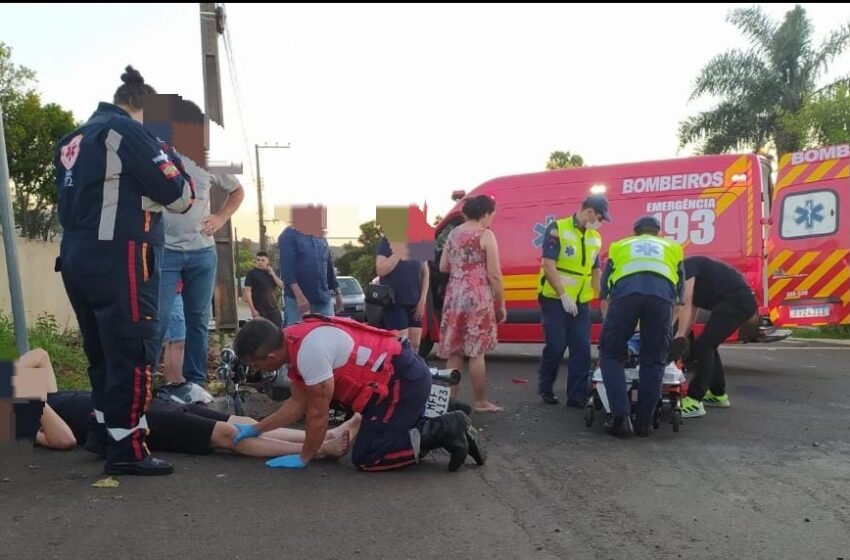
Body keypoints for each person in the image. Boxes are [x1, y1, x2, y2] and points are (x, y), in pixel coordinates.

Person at [54, 66, 196, 476]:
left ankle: (103, 432)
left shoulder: (73, 139)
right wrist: (165, 150)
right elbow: (180, 196)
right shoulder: (127, 132)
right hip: (122, 257)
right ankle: (128, 447)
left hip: (76, 256)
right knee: (133, 350)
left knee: (100, 350)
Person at [229, 315, 486, 472]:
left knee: (369, 457)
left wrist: (304, 457)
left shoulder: (310, 354)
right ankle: (439, 415)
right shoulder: (293, 338)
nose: (258, 371)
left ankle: (444, 429)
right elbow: (297, 404)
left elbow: (317, 415)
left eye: (256, 365)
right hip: (397, 377)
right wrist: (257, 429)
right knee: (375, 439)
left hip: (401, 382)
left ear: (270, 356)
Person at [17, 348, 358, 459]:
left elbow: (39, 356)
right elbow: (64, 440)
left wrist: (14, 376)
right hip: (134, 424)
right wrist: (28, 401)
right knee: (226, 435)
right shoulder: (23, 418)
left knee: (236, 422)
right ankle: (321, 450)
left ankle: (325, 436)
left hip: (144, 403)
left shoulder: (36, 394)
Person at [150, 96, 246, 388]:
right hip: (165, 252)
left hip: (202, 253)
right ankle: (143, 381)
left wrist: (219, 218)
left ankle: (195, 384)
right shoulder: (154, 157)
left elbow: (238, 191)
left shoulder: (209, 159)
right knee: (159, 319)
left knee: (198, 321)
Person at [598, 215, 685, 437]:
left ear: (635, 231)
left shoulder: (620, 246)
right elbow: (680, 296)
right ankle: (644, 423)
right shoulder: (673, 248)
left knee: (610, 354)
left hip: (625, 296)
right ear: (658, 232)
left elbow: (605, 290)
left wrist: (611, 328)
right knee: (654, 360)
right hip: (662, 300)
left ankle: (620, 418)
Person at [536, 194, 610, 407]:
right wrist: (563, 295)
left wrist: (602, 299)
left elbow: (596, 271)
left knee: (581, 349)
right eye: (600, 217)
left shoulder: (595, 237)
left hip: (581, 301)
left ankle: (576, 396)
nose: (600, 222)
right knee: (557, 345)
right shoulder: (557, 228)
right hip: (554, 299)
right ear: (589, 212)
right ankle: (546, 386)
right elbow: (548, 265)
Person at [437, 195, 505, 413]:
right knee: (476, 352)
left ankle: (449, 402)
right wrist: (501, 302)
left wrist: (461, 268)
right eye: (492, 214)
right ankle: (481, 401)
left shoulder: (453, 234)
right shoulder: (486, 235)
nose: (492, 218)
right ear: (485, 213)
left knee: (455, 351)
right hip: (477, 296)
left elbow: (443, 267)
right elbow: (494, 274)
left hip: (455, 295)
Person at [671, 255, 760, 418]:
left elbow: (686, 302)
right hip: (736, 301)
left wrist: (679, 336)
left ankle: (694, 400)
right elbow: (692, 310)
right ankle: (718, 394)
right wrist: (682, 336)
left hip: (736, 301)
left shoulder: (685, 267)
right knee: (707, 344)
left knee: (704, 346)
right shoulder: (692, 271)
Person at [278, 205, 343, 326]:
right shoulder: (288, 236)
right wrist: (299, 297)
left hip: (323, 299)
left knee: (328, 335)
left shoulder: (320, 236)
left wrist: (338, 293)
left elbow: (328, 266)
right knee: (297, 338)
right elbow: (287, 270)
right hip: (298, 301)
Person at [374, 234, 430, 353]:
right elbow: (381, 270)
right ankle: (397, 371)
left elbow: (425, 273)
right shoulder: (387, 241)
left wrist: (422, 300)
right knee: (401, 345)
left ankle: (412, 370)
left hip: (415, 301)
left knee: (415, 344)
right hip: (395, 302)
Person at [243, 251, 284, 327]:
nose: (260, 262)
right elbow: (247, 292)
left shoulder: (270, 274)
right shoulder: (252, 273)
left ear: (267, 261)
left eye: (263, 260)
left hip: (273, 310)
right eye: (258, 260)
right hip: (260, 311)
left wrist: (273, 274)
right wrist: (253, 310)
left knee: (277, 334)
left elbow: (282, 286)